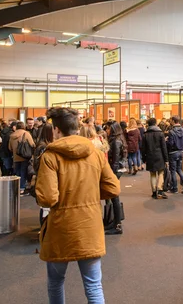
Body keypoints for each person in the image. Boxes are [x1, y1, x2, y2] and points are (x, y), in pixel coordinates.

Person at [36, 107, 120, 304]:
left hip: (61, 226)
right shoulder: (96, 154)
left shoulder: (50, 156)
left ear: (56, 130)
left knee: (56, 281)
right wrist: (89, 196)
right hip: (89, 225)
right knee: (93, 285)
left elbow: (48, 198)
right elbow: (113, 188)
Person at [106, 122, 126, 235]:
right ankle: (115, 222)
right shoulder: (118, 140)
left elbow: (115, 161)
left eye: (108, 129)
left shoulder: (116, 142)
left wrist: (111, 175)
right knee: (114, 197)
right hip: (117, 170)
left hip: (115, 171)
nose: (107, 130)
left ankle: (117, 224)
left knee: (115, 197)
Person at [31, 123, 54, 224]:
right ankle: (44, 230)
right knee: (45, 207)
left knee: (45, 207)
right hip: (44, 179)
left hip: (43, 178)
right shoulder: (44, 147)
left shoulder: (41, 145)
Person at [142, 118, 169, 199]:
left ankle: (154, 192)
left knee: (152, 174)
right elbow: (164, 148)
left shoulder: (145, 134)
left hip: (150, 156)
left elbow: (143, 148)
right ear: (155, 123)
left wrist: (144, 159)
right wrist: (166, 159)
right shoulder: (160, 133)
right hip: (159, 156)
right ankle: (160, 191)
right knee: (161, 173)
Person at [9, 121, 35, 193]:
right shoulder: (26, 133)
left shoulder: (12, 135)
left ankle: (16, 186)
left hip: (15, 156)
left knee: (17, 172)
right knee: (23, 171)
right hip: (24, 156)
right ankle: (22, 187)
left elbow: (10, 147)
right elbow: (32, 144)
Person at [167, 115, 183, 194]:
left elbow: (170, 144)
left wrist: (166, 141)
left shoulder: (171, 132)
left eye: (171, 120)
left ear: (173, 121)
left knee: (172, 170)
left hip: (173, 152)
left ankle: (174, 188)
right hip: (181, 152)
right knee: (179, 169)